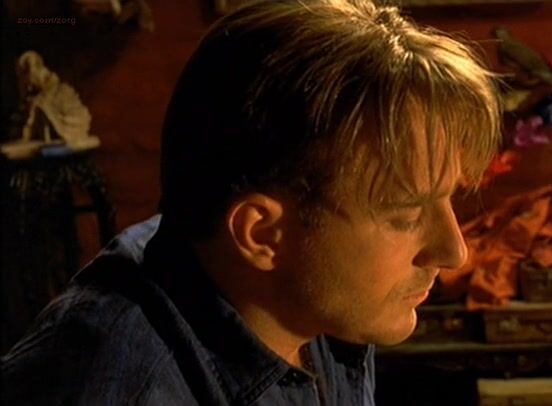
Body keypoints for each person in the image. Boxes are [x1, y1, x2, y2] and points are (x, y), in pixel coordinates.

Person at [1, 0, 501, 404]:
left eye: (448, 198)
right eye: (406, 216)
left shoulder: (312, 294)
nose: (453, 251)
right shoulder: (118, 387)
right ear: (262, 233)